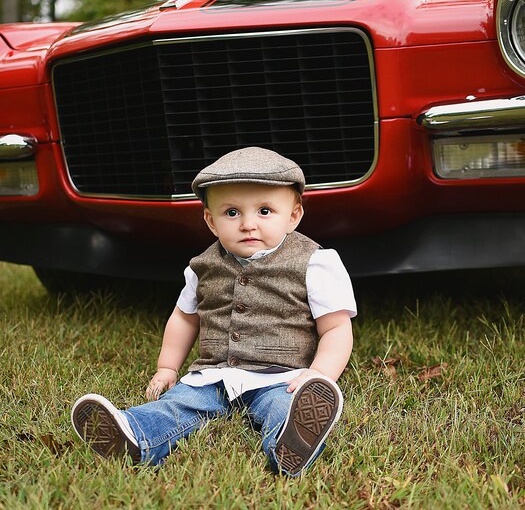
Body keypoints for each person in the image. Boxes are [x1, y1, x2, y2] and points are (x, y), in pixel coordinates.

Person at [71, 147, 356, 476]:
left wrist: (319, 373)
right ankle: (135, 434)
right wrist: (167, 367)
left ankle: (289, 442)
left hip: (281, 377)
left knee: (284, 408)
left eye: (265, 211)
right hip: (213, 376)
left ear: (293, 216)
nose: (248, 224)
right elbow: (184, 317)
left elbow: (336, 328)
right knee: (176, 405)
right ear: (211, 220)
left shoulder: (316, 263)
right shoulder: (202, 267)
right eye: (232, 213)